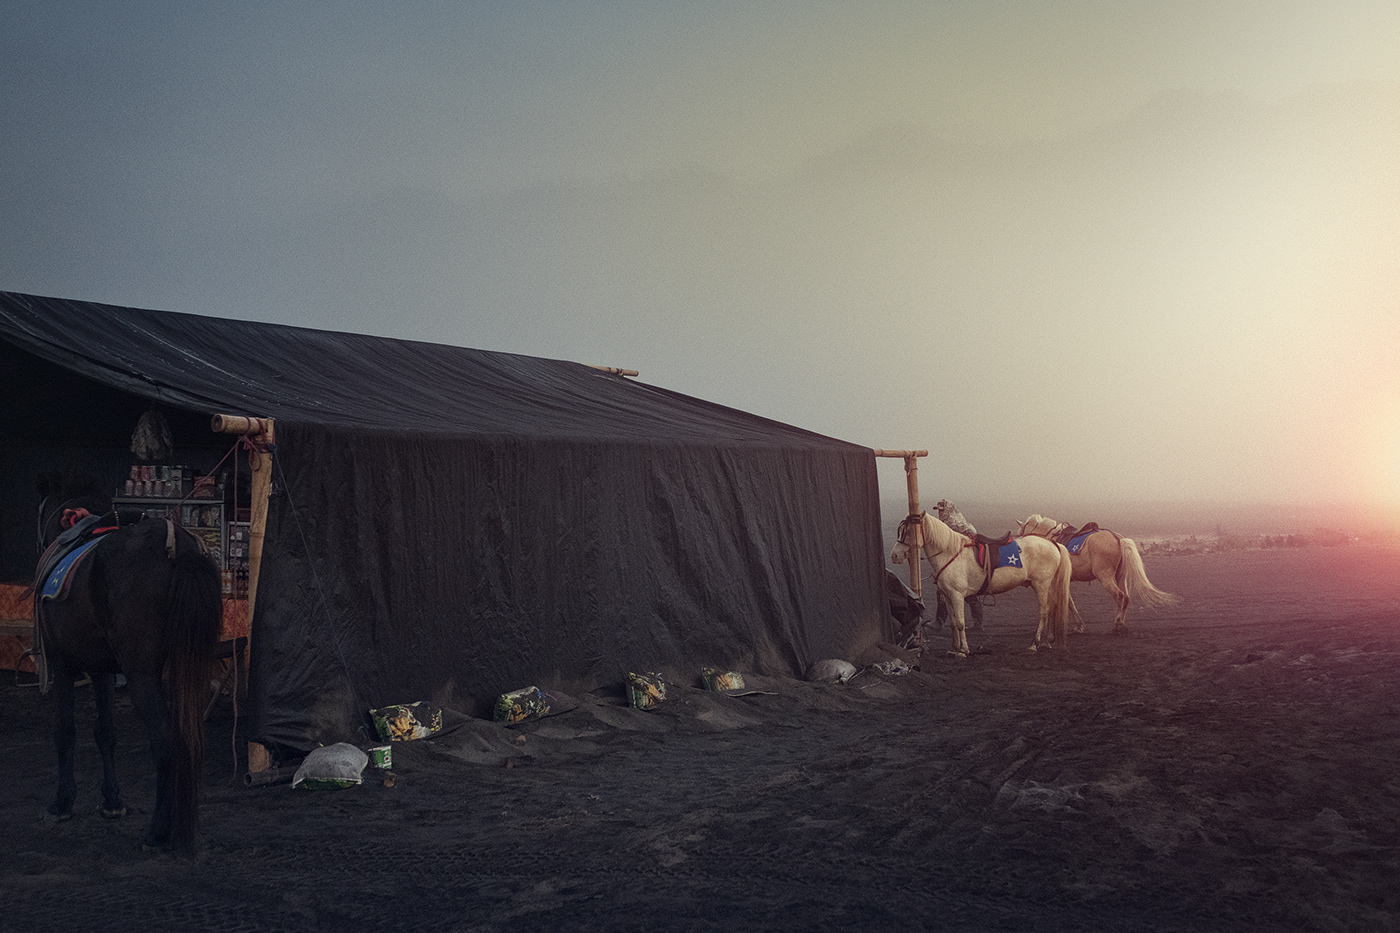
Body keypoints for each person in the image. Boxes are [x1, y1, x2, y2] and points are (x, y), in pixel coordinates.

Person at [932, 498, 985, 631]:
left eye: (941, 510)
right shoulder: (946, 521)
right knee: (949, 591)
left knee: (961, 592)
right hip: (954, 558)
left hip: (962, 559)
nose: (939, 513)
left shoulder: (954, 522)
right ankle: (977, 623)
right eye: (938, 510)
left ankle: (941, 622)